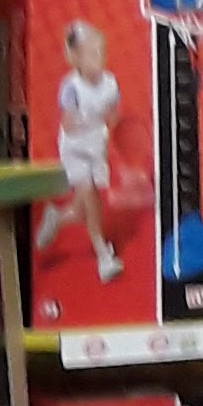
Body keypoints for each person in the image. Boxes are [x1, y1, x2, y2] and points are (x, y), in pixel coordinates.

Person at [40, 15, 122, 284]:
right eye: (92, 54)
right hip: (75, 149)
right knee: (91, 200)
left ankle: (56, 217)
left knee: (82, 210)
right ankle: (103, 256)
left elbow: (114, 114)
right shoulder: (71, 87)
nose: (99, 59)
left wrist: (110, 119)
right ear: (75, 59)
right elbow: (69, 125)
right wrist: (90, 118)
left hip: (96, 147)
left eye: (101, 53)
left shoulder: (110, 83)